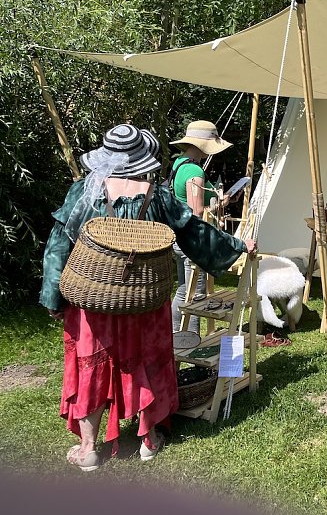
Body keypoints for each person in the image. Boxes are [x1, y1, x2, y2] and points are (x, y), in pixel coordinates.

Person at [40, 124, 256, 471]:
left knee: (91, 367)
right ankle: (149, 439)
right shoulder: (158, 195)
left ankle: (90, 449)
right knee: (146, 363)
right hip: (145, 300)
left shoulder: (84, 192)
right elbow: (195, 234)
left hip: (93, 302)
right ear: (142, 158)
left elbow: (58, 245)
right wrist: (237, 246)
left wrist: (53, 298)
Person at [168, 120, 235, 334]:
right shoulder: (194, 171)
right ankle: (191, 345)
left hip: (178, 236)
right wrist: (218, 206)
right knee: (196, 297)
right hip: (191, 241)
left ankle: (175, 339)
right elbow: (196, 211)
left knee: (182, 291)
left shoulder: (179, 164)